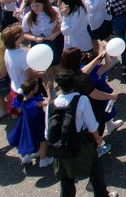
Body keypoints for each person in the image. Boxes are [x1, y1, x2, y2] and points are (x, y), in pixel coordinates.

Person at [47, 65, 110, 197]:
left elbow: (47, 133)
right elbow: (92, 125)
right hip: (81, 144)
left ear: (59, 86)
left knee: (66, 181)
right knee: (95, 172)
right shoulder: (81, 100)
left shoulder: (51, 104)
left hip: (61, 146)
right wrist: (98, 138)